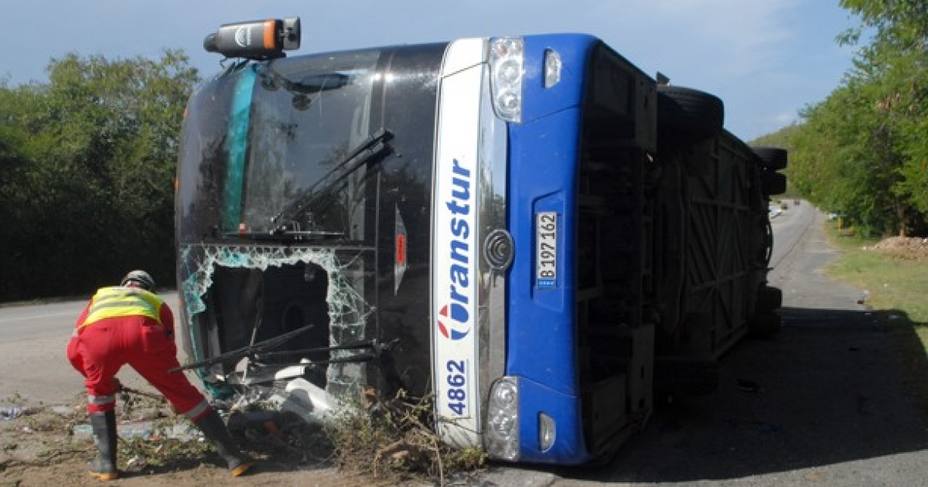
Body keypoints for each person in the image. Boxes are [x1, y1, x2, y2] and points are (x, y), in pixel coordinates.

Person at [67, 270, 253, 480]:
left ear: (124, 284)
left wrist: (102, 380)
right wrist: (173, 392)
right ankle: (234, 458)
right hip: (144, 335)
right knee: (187, 397)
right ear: (148, 288)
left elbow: (73, 351)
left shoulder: (99, 297)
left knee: (99, 395)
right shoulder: (154, 302)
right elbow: (167, 351)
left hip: (97, 340)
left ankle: (107, 465)